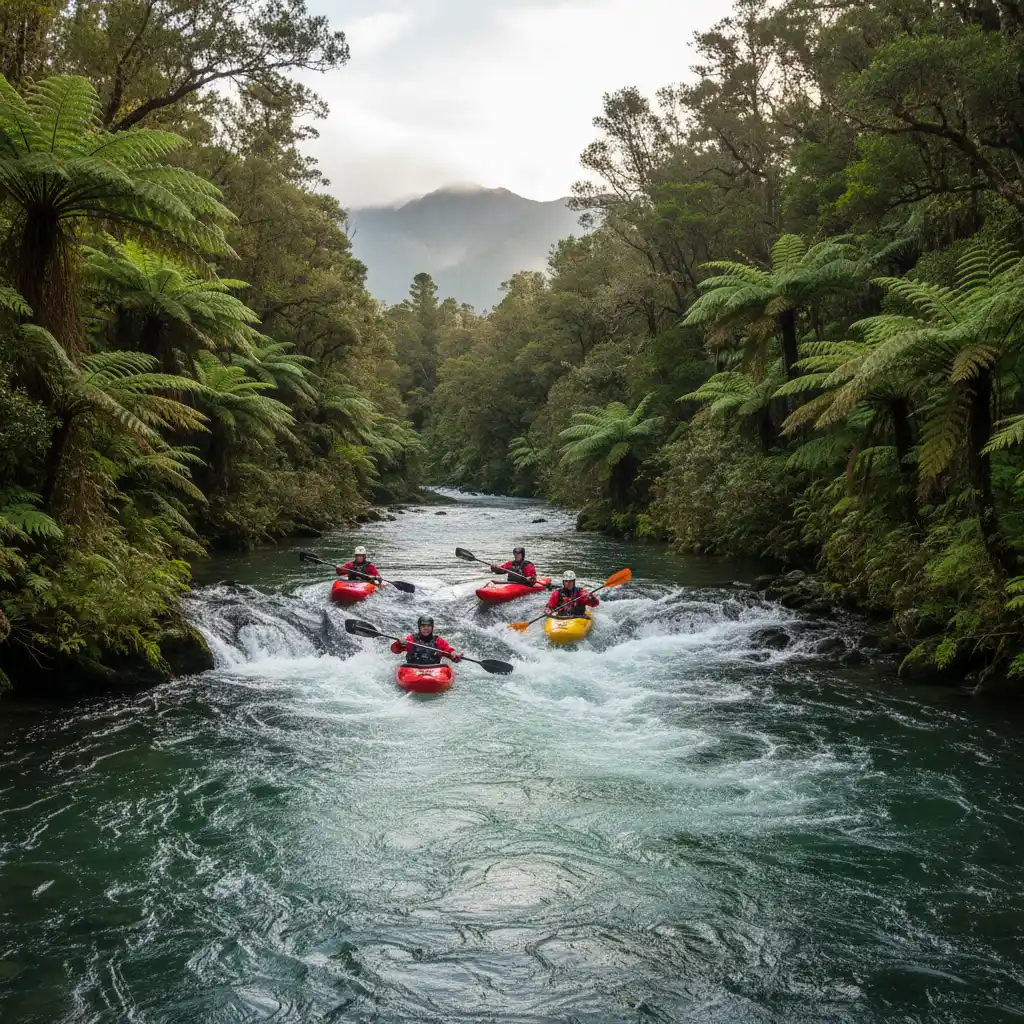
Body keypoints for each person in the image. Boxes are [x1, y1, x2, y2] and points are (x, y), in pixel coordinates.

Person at [391, 615, 463, 666]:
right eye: (423, 626)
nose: (426, 628)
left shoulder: (438, 641)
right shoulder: (411, 639)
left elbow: (448, 651)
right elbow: (395, 650)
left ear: (432, 627)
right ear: (419, 627)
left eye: (428, 626)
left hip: (434, 670)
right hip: (413, 670)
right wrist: (399, 643)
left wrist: (454, 654)